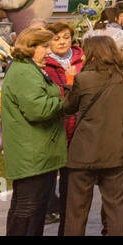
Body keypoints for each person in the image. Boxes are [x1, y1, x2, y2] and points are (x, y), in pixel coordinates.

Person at [62, 35, 123, 236]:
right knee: (116, 208)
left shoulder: (82, 78)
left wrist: (69, 82)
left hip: (83, 152)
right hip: (115, 151)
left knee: (76, 210)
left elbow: (68, 108)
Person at [1, 26, 69, 236]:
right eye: (45, 46)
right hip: (32, 154)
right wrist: (64, 101)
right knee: (28, 208)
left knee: (33, 208)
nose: (49, 52)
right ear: (30, 48)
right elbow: (38, 110)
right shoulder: (24, 72)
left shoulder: (29, 69)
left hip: (37, 152)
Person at [41, 21, 83, 229]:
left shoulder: (81, 60)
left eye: (66, 37)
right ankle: (50, 208)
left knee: (71, 178)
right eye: (56, 38)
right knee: (48, 176)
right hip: (53, 126)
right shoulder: (43, 64)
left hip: (77, 126)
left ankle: (67, 218)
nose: (62, 42)